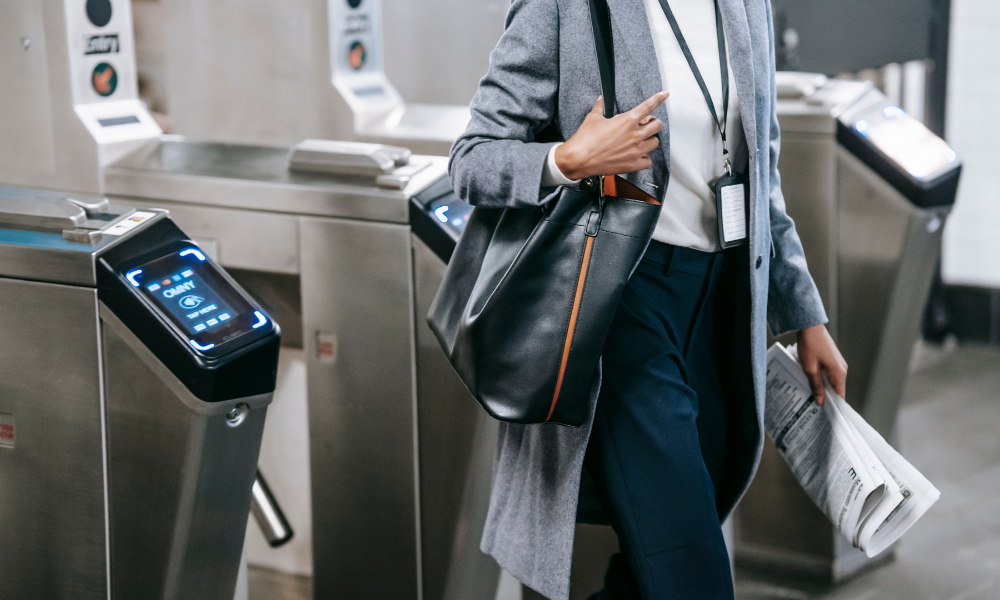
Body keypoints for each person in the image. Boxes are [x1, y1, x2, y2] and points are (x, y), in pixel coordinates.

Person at [449, 0, 848, 598]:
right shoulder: (568, 7)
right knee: (695, 577)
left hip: (720, 309)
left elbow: (761, 171)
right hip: (623, 305)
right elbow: (473, 159)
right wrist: (568, 159)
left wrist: (803, 312)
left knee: (652, 571)